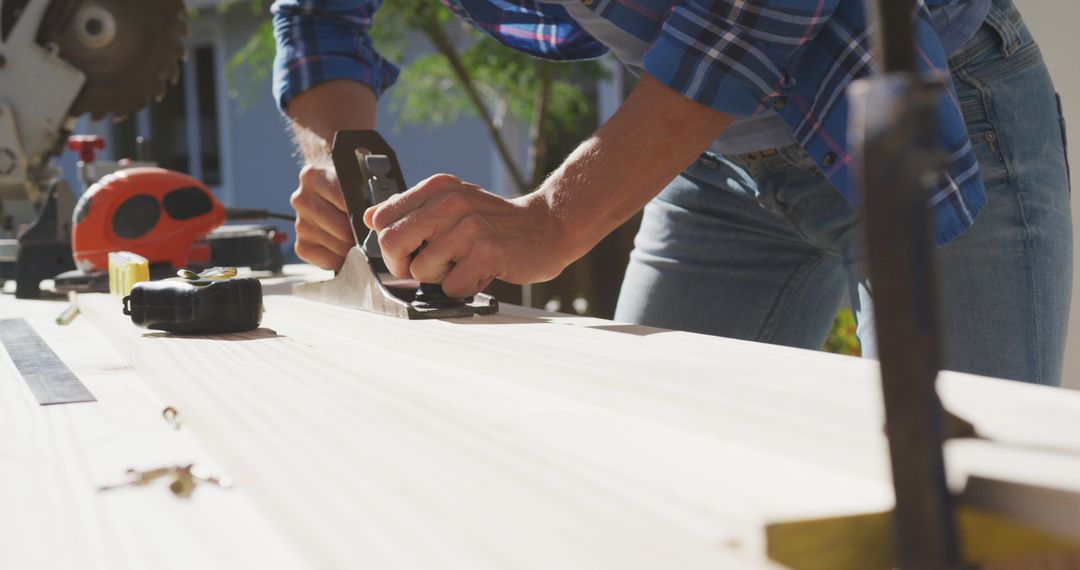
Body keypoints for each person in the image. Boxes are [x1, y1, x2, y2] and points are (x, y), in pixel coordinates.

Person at [273, 0, 1071, 385]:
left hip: (906, 99)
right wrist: (341, 165)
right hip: (712, 148)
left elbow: (759, 11)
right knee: (645, 466)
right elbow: (316, 13)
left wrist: (555, 217)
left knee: (967, 512)